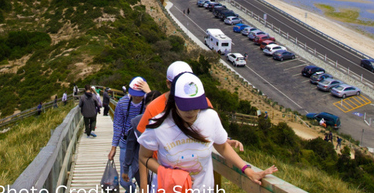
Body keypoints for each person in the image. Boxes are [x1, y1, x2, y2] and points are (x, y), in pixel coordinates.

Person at [138, 72, 277, 192]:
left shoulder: (210, 118)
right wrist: (168, 175)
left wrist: (248, 170)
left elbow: (222, 146)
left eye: (196, 106)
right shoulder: (159, 125)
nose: (191, 112)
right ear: (173, 101)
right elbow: (144, 157)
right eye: (186, 107)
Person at [109, 78, 148, 192]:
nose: (137, 97)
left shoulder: (148, 102)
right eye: (134, 94)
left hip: (142, 144)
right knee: (124, 179)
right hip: (126, 143)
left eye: (140, 95)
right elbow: (118, 126)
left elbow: (160, 111)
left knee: (142, 176)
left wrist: (148, 91)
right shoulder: (122, 103)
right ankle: (130, 188)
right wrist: (113, 147)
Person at [124, 91, 161, 192]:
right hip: (142, 167)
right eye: (148, 110)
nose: (151, 115)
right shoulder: (137, 122)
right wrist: (126, 168)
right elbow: (130, 147)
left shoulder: (169, 124)